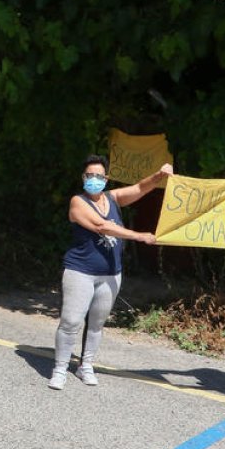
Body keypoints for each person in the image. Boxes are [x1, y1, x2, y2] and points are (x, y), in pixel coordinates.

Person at [48, 156, 169, 390]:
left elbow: (140, 188)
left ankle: (86, 366)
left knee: (97, 323)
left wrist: (159, 176)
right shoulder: (78, 202)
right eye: (89, 175)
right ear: (83, 178)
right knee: (71, 322)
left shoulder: (112, 198)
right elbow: (102, 226)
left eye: (99, 176)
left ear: (106, 179)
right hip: (80, 271)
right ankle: (60, 368)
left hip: (111, 273)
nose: (94, 179)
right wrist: (139, 235)